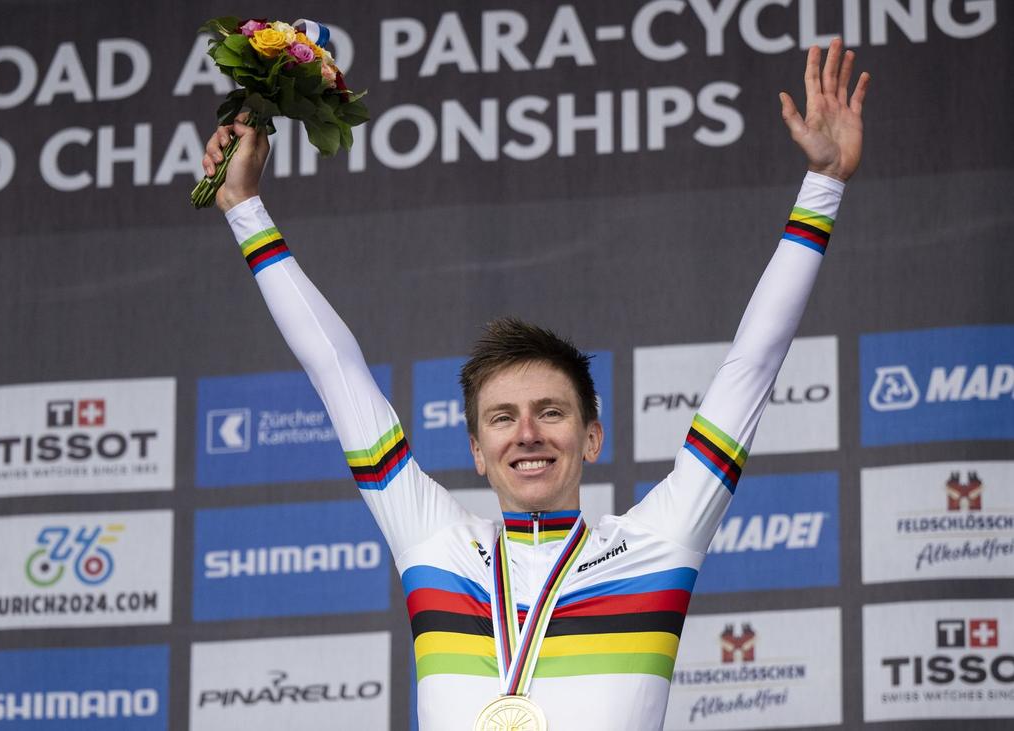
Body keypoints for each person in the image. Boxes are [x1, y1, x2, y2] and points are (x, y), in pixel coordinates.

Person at [203, 41, 869, 731]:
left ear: (592, 436)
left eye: (550, 412)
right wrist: (244, 207)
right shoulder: (433, 544)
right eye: (502, 418)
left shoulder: (658, 545)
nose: (526, 434)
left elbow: (753, 364)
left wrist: (823, 185)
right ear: (476, 450)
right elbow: (334, 368)